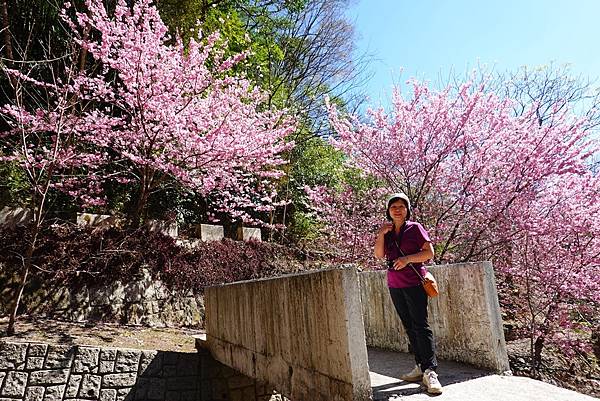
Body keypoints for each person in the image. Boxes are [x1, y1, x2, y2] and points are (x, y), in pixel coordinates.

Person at [374, 193, 443, 394]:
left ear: (407, 210)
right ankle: (420, 366)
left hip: (414, 283)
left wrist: (407, 259)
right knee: (409, 326)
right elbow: (379, 255)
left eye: (401, 206)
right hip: (394, 284)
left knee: (420, 325)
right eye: (393, 206)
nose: (397, 209)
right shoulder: (387, 232)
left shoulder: (415, 228)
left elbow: (429, 253)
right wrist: (380, 234)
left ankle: (431, 371)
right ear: (388, 210)